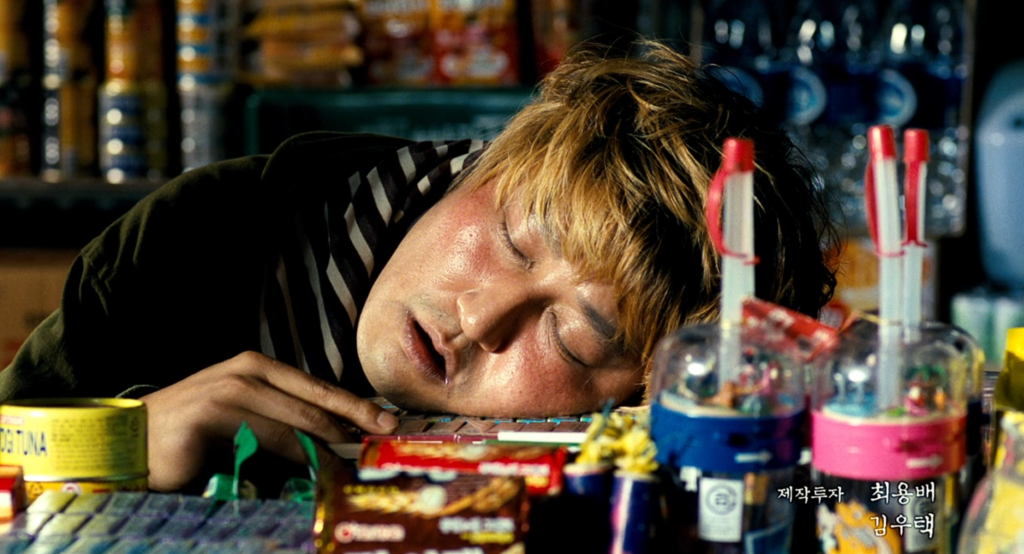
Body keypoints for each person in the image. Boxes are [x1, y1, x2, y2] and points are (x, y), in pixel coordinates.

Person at [0, 37, 838, 493]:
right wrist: (118, 443)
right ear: (483, 161)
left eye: (576, 343)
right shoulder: (201, 237)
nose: (482, 319)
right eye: (513, 241)